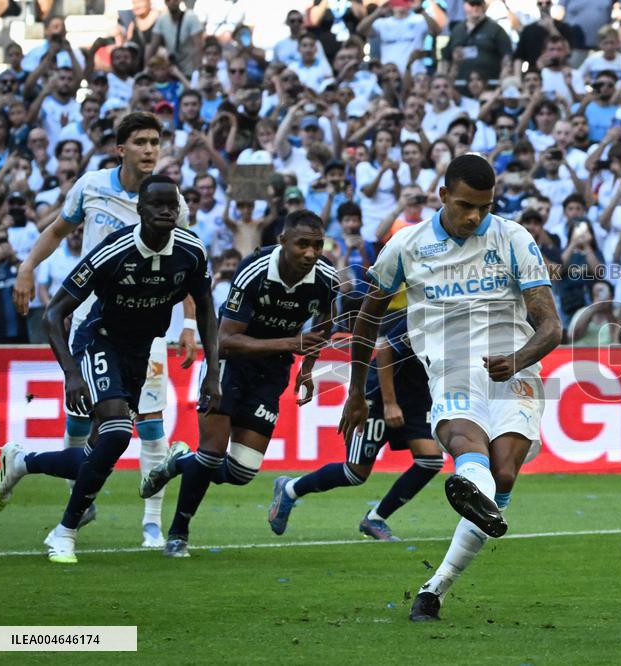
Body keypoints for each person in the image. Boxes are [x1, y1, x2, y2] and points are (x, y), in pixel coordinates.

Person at [338, 154, 561, 622]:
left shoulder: (514, 238)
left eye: (485, 206)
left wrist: (517, 360)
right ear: (441, 196)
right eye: (465, 205)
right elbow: (366, 320)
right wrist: (356, 391)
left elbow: (550, 327)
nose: (475, 216)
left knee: (502, 476)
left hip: (516, 369)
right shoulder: (406, 245)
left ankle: (435, 587)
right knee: (464, 442)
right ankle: (467, 485)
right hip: (451, 369)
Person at [0, 175, 220, 564]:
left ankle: (22, 462)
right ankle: (64, 532)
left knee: (97, 453)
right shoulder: (115, 250)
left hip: (140, 353)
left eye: (172, 205)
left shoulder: (192, 250)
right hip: (99, 339)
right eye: (157, 205)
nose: (166, 211)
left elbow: (208, 310)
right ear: (141, 211)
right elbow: (54, 313)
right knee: (116, 434)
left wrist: (212, 372)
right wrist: (72, 374)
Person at [10, 113, 197, 549]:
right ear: (121, 149)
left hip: (147, 328)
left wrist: (187, 323)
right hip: (91, 322)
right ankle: (76, 497)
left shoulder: (171, 201)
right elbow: (57, 230)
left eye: (156, 142)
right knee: (83, 422)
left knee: (149, 423)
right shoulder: (92, 186)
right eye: (141, 142)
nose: (150, 150)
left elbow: (185, 264)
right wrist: (26, 267)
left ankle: (152, 522)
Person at [140, 210, 337, 557]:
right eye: (302, 244)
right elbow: (226, 340)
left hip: (272, 371)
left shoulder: (326, 279)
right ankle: (178, 533)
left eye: (317, 245)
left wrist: (307, 368)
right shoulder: (255, 271)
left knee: (242, 471)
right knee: (212, 453)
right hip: (227, 367)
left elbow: (324, 322)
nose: (310, 253)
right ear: (283, 242)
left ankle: (179, 462)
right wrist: (292, 344)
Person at [268, 308, 444, 541]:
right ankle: (290, 489)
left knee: (430, 461)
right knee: (355, 473)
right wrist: (390, 403)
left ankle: (375, 519)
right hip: (379, 394)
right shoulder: (429, 314)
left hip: (416, 397)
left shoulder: (465, 324)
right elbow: (384, 350)